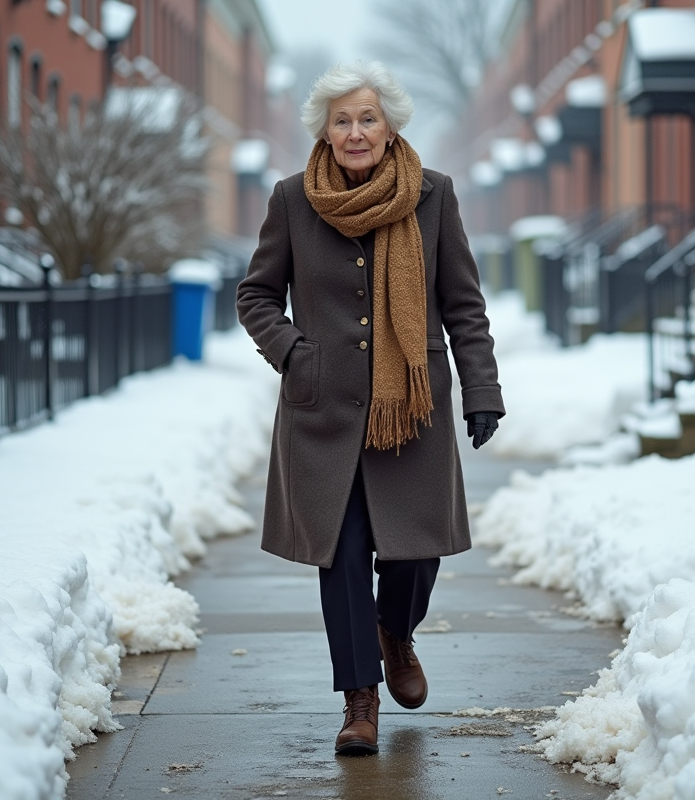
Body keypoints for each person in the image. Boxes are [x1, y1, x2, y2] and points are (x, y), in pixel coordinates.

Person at [236, 61, 504, 756]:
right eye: (342, 120)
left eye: (368, 119)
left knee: (415, 553)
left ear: (390, 128)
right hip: (322, 411)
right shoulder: (293, 199)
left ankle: (396, 631)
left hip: (410, 405)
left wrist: (482, 390)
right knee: (345, 553)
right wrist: (296, 352)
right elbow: (256, 296)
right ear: (325, 131)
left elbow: (463, 306)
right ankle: (360, 701)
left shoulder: (433, 196)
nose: (355, 132)